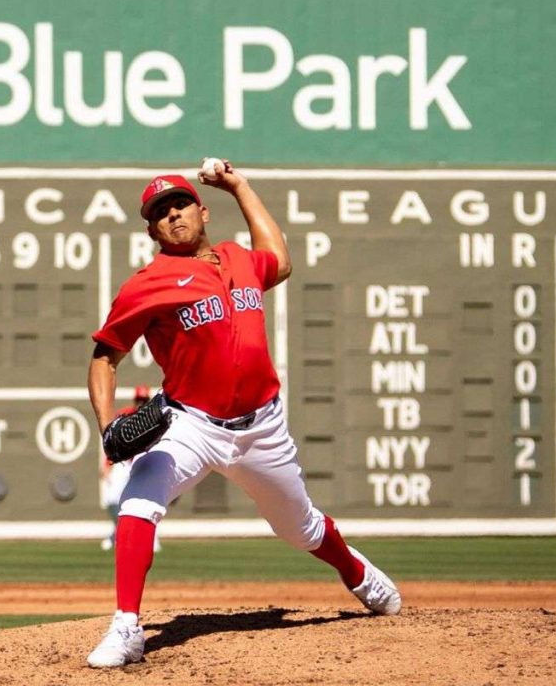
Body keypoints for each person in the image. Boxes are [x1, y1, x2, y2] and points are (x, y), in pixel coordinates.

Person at [84, 162, 402, 668]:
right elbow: (105, 357)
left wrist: (240, 185)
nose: (172, 215)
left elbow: (280, 258)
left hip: (262, 428)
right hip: (191, 423)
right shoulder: (147, 284)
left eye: (180, 204)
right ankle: (127, 627)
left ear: (201, 209)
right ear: (151, 230)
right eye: (159, 213)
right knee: (137, 498)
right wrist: (105, 428)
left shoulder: (238, 259)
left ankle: (357, 573)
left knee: (300, 528)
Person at [100, 385, 161, 553]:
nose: (141, 403)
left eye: (144, 400)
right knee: (111, 500)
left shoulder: (155, 418)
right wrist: (107, 464)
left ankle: (151, 538)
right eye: (139, 400)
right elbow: (113, 442)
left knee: (148, 503)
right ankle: (117, 532)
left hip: (145, 461)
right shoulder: (124, 415)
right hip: (124, 463)